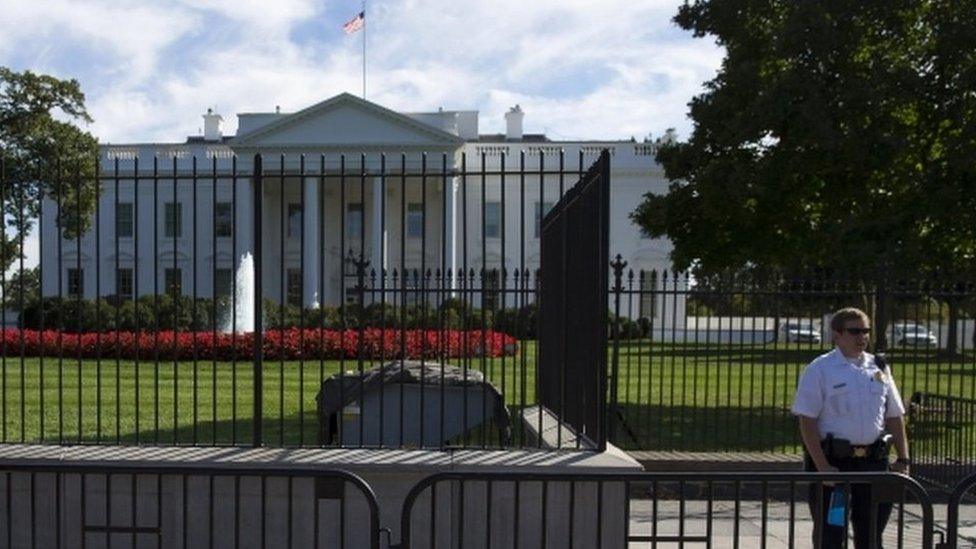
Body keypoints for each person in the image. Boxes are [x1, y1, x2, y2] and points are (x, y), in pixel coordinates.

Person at [791, 307, 911, 548]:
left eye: (866, 330)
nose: (862, 337)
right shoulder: (820, 369)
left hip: (873, 462)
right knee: (832, 534)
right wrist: (822, 467)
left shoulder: (878, 366)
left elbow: (894, 415)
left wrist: (903, 459)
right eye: (854, 331)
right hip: (836, 464)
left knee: (871, 533)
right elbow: (807, 420)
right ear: (837, 334)